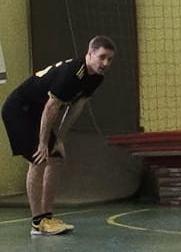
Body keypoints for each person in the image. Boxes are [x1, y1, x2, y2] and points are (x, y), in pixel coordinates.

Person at [4, 36, 115, 236]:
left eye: (110, 59)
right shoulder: (72, 73)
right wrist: (43, 143)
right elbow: (51, 107)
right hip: (19, 110)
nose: (106, 63)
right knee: (38, 159)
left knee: (56, 158)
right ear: (90, 54)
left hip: (37, 112)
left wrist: (60, 139)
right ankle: (37, 223)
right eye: (102, 57)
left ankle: (47, 216)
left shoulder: (96, 77)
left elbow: (76, 107)